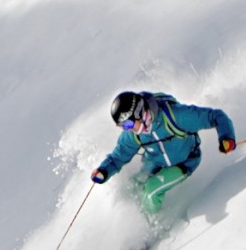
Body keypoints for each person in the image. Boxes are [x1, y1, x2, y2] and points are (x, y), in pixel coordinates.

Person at [90, 91, 237, 218]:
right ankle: (136, 227)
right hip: (154, 162)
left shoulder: (175, 116)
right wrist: (104, 170)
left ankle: (150, 229)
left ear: (139, 113)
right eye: (122, 127)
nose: (127, 129)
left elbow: (216, 116)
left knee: (151, 191)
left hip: (183, 162)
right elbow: (118, 155)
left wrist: (226, 138)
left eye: (128, 125)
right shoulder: (133, 134)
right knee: (132, 189)